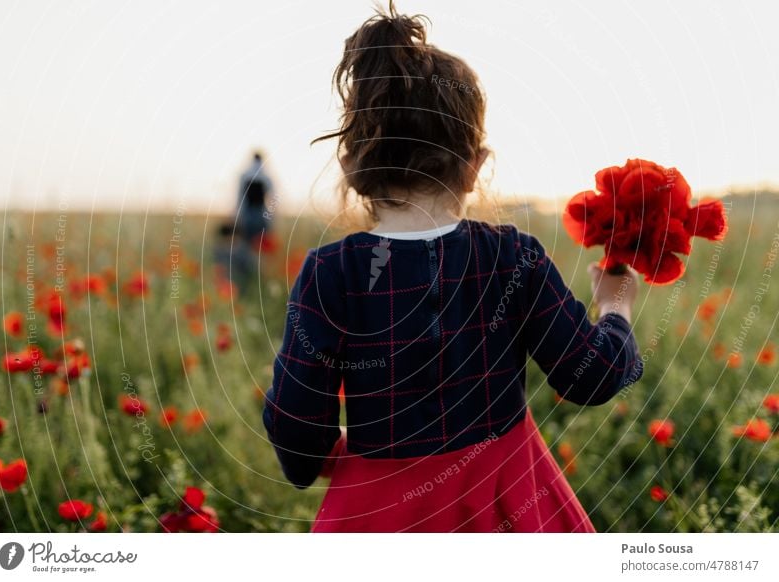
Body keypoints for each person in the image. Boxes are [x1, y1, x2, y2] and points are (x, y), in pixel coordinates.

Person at [263, 1, 642, 533]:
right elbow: (590, 377)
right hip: (508, 504)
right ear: (475, 166)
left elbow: (296, 425)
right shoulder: (515, 256)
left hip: (380, 514)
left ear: (352, 167)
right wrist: (616, 306)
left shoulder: (332, 273)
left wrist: (317, 458)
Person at [235, 150, 274, 246]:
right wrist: (269, 215)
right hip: (260, 213)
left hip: (249, 213)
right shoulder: (266, 177)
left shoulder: (245, 175)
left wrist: (238, 214)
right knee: (260, 243)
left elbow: (240, 197)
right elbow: (273, 197)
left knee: (249, 242)